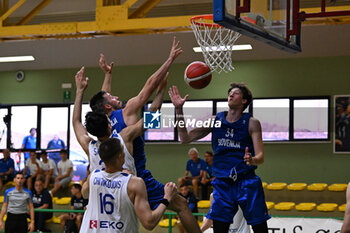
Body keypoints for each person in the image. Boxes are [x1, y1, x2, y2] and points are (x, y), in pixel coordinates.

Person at [90, 40, 201, 233]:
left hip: (108, 182)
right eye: (113, 98)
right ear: (108, 107)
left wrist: (108, 74)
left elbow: (104, 96)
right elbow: (148, 93)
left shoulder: (101, 132)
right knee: (181, 205)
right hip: (136, 178)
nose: (116, 97)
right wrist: (169, 60)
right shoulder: (125, 115)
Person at [169, 83, 270, 233]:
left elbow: (261, 156)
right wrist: (178, 109)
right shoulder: (216, 120)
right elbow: (185, 138)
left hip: (246, 180)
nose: (230, 94)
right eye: (229, 92)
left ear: (244, 101)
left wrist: (253, 160)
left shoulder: (252, 123)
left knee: (260, 228)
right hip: (223, 183)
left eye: (235, 93)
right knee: (220, 228)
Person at [73, 66, 167, 174]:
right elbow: (151, 120)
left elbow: (76, 122)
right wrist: (161, 90)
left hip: (103, 188)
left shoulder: (90, 147)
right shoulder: (122, 139)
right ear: (109, 125)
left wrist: (79, 91)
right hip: (131, 185)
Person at [80, 138, 178, 232]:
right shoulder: (134, 183)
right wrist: (167, 198)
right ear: (120, 156)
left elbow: (84, 194)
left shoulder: (93, 176)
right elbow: (149, 223)